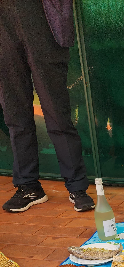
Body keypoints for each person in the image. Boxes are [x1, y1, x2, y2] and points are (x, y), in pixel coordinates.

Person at [0, 0, 95, 213]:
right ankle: (28, 187)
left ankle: (77, 187)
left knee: (56, 113)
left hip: (40, 18)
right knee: (15, 114)